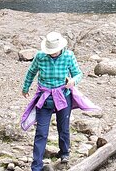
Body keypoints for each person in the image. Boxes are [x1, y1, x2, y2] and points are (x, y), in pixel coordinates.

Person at [21, 32, 85, 171]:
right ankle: (36, 165)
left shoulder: (69, 56)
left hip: (63, 95)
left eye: (55, 51)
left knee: (64, 127)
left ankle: (64, 153)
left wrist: (73, 81)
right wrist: (25, 88)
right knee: (41, 132)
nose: (53, 53)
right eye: (50, 51)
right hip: (44, 98)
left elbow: (79, 74)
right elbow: (31, 72)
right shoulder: (40, 56)